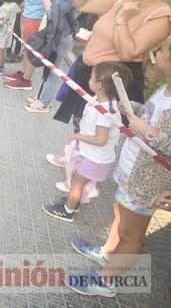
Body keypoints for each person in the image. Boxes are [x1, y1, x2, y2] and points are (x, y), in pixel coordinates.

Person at [66, 36, 171, 297]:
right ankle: (107, 253)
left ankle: (107, 281)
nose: (154, 52)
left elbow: (163, 140)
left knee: (131, 233)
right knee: (119, 214)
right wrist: (132, 109)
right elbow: (151, 116)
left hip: (148, 181)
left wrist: (147, 131)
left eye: (161, 49)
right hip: (132, 168)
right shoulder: (165, 89)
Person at [54, 0, 171, 124]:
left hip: (114, 87)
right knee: (82, 127)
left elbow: (128, 53)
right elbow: (82, 4)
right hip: (90, 76)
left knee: (100, 139)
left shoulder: (161, 15)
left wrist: (122, 19)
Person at [42, 63, 131, 222]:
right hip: (93, 155)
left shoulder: (105, 112)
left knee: (77, 182)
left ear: (99, 85)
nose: (89, 79)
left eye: (91, 77)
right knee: (77, 179)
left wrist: (79, 136)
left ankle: (68, 210)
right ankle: (72, 201)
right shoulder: (104, 100)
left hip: (96, 158)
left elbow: (100, 139)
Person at [24, 0, 92, 113]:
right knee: (49, 68)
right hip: (58, 35)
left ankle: (44, 103)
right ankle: (41, 97)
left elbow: (53, 14)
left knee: (54, 70)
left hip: (61, 37)